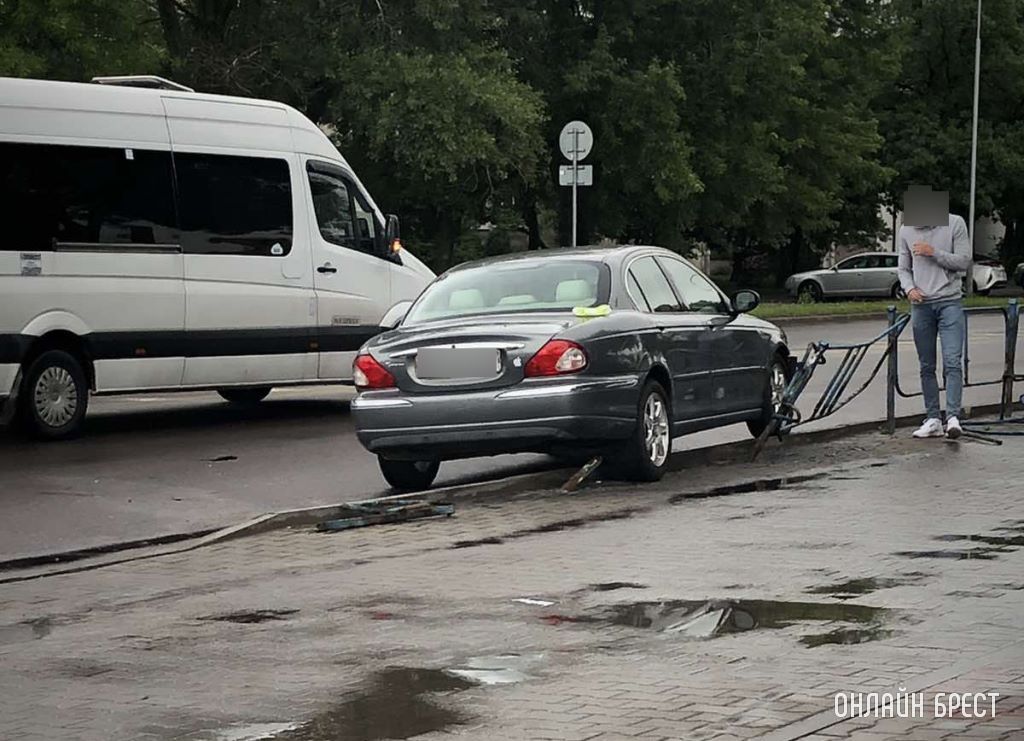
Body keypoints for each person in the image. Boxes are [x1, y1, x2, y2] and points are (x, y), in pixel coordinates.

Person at [897, 187, 971, 440]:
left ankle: (952, 417)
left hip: (949, 301)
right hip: (921, 305)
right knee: (926, 365)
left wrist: (933, 253)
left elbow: (963, 261)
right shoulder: (906, 230)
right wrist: (909, 289)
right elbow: (903, 268)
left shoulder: (954, 223)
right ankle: (932, 418)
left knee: (952, 361)